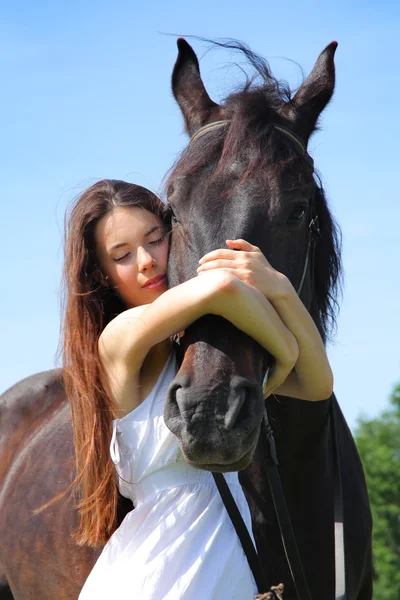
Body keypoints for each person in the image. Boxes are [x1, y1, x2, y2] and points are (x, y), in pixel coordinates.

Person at [62, 179, 333, 599]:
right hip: (158, 577)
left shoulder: (206, 359)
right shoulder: (119, 339)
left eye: (155, 240)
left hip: (222, 573)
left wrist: (278, 285)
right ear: (102, 275)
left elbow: (318, 385)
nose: (147, 262)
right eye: (122, 255)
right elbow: (221, 287)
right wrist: (284, 351)